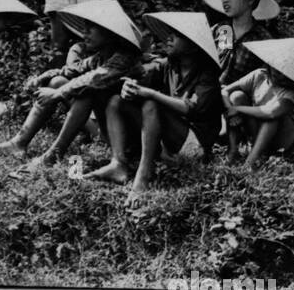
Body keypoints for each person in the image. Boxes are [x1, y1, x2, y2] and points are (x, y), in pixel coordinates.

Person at [86, 12, 222, 202]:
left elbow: (190, 108)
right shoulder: (169, 65)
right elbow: (143, 74)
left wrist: (150, 93)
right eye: (169, 33)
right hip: (169, 138)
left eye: (177, 35)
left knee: (151, 103)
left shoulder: (207, 75)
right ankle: (118, 163)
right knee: (116, 101)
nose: (169, 38)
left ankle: (143, 176)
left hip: (194, 145)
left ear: (193, 45)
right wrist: (130, 85)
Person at [0, 0, 143, 172]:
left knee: (86, 92)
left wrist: (57, 94)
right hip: (102, 129)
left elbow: (94, 79)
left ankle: (53, 154)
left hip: (128, 135)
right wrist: (43, 77)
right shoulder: (98, 57)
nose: (84, 33)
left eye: (91, 29)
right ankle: (20, 142)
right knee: (57, 81)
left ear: (109, 33)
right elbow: (71, 70)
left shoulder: (125, 57)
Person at [201, 0, 277, 155]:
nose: (225, 0)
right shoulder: (222, 30)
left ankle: (235, 145)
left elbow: (266, 79)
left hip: (244, 99)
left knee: (237, 96)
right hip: (215, 94)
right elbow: (208, 63)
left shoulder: (261, 37)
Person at [221, 38, 294, 168]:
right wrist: (231, 111)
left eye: (286, 73)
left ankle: (251, 162)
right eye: (277, 71)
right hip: (259, 133)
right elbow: (224, 91)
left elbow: (271, 113)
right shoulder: (259, 76)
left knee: (272, 117)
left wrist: (238, 109)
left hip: (287, 140)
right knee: (237, 95)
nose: (281, 76)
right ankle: (233, 151)